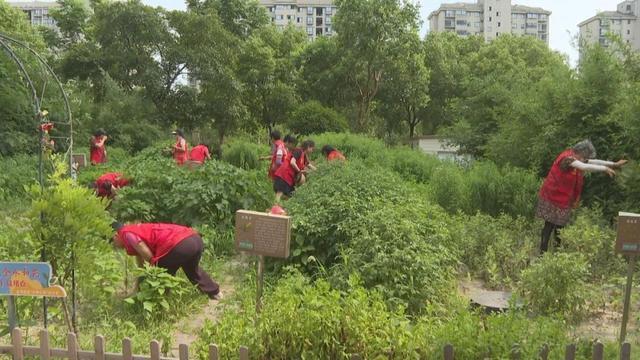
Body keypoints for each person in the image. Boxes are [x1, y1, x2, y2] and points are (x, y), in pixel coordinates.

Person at [536, 140, 627, 253]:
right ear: (580, 153)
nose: (586, 158)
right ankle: (542, 253)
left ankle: (556, 254)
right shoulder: (567, 158)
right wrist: (605, 169)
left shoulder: (577, 157)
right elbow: (584, 167)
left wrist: (614, 164)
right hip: (552, 196)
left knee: (560, 227)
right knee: (549, 225)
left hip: (564, 199)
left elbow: (593, 162)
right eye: (585, 156)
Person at [111, 222, 221, 300]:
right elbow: (141, 264)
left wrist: (152, 273)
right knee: (191, 269)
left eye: (112, 241)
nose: (114, 245)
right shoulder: (134, 230)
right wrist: (138, 285)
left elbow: (148, 256)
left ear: (116, 235)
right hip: (194, 239)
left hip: (180, 243)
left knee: (161, 269)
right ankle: (215, 293)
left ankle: (159, 299)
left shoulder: (126, 234)